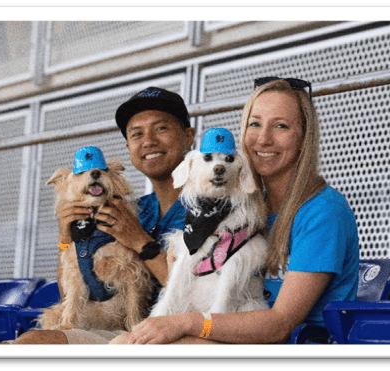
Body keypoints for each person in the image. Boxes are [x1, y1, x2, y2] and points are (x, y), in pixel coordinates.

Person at [110, 77, 359, 345]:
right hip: (235, 333)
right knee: (122, 344)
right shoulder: (243, 210)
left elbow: (280, 325)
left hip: (294, 343)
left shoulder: (322, 211)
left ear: (303, 137)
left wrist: (185, 322)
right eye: (255, 124)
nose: (263, 139)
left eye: (281, 126)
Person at [9, 87, 196, 344]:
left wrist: (140, 241)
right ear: (129, 146)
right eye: (136, 133)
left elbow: (199, 297)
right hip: (119, 330)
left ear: (189, 136)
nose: (148, 141)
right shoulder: (126, 208)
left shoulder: (210, 209)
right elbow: (72, 293)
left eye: (161, 128)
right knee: (22, 343)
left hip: (178, 333)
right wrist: (66, 237)